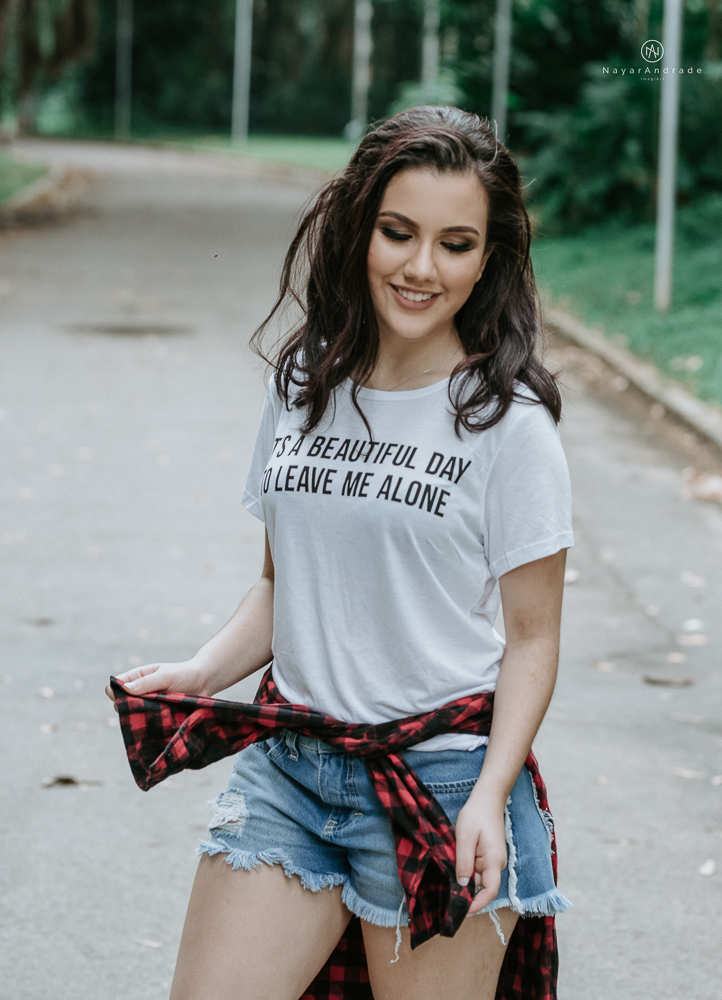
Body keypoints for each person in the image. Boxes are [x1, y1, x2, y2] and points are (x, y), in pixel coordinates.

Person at [106, 105, 574, 1000]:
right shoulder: (306, 383)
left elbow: (534, 639)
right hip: (293, 766)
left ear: (491, 257)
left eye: (456, 243)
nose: (420, 268)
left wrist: (489, 796)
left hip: (439, 778)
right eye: (398, 232)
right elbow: (285, 584)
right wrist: (203, 672)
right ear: (361, 227)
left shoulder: (508, 425)